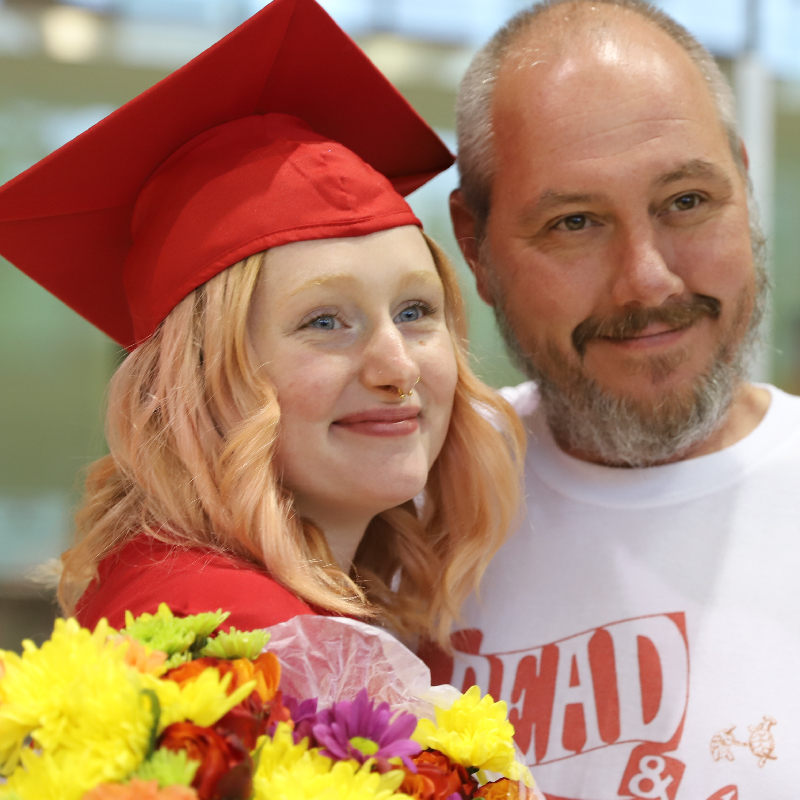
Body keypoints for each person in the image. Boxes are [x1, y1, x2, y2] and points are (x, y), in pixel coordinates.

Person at [0, 0, 523, 649]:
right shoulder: (241, 641)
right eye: (325, 321)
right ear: (197, 376)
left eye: (416, 311)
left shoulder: (220, 600)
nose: (397, 367)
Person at [427, 0, 800, 797]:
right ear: (474, 246)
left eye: (688, 202)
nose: (649, 280)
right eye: (574, 223)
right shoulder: (404, 515)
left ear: (743, 180)